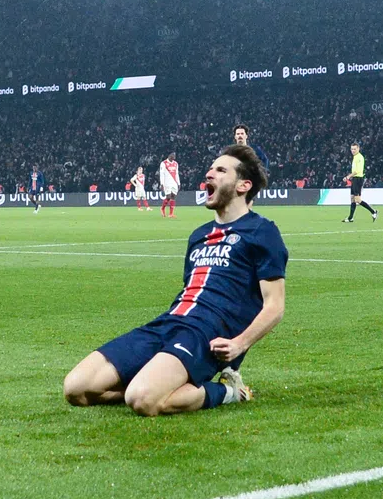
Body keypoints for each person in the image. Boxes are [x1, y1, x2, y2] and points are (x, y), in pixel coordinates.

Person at [62, 146, 286, 416]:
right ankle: (155, 382)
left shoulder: (262, 231)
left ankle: (229, 391)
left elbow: (274, 305)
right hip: (168, 322)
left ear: (243, 185)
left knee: (142, 400)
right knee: (76, 389)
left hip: (205, 333)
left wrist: (239, 344)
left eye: (221, 170)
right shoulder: (198, 235)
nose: (209, 173)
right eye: (211, 168)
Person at [343, 143, 376, 223]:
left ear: (358, 149)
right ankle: (350, 218)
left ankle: (373, 212)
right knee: (352, 198)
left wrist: (348, 177)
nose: (353, 151)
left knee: (357, 200)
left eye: (354, 149)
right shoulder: (355, 157)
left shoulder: (360, 157)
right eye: (352, 149)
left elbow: (357, 171)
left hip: (358, 179)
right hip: (354, 179)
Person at [158, 153, 181, 218]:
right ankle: (162, 208)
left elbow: (176, 174)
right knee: (168, 196)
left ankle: (171, 214)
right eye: (173, 156)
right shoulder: (163, 163)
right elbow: (162, 174)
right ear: (169, 156)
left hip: (174, 182)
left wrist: (178, 183)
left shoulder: (176, 163)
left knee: (173, 196)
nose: (174, 157)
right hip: (167, 182)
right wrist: (162, 183)